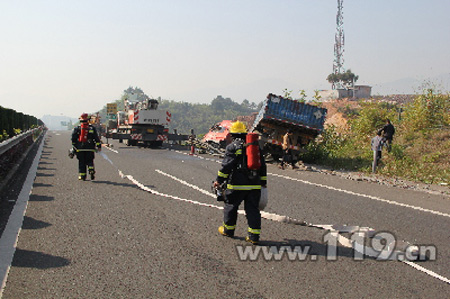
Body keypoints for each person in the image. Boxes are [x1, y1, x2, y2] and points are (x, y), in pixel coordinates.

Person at [214, 121, 267, 245]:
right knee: (253, 210)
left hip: (236, 185)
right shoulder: (255, 147)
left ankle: (228, 230)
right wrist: (263, 182)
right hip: (254, 185)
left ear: (232, 134)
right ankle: (253, 236)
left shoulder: (232, 147)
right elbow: (263, 166)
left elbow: (226, 167)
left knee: (231, 206)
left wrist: (219, 180)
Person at [71, 113, 102, 180]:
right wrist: (99, 146)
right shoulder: (92, 128)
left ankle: (82, 176)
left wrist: (74, 146)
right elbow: (96, 138)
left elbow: (73, 138)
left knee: (82, 162)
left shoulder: (77, 128)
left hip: (80, 148)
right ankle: (91, 169)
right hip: (90, 148)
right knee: (90, 160)